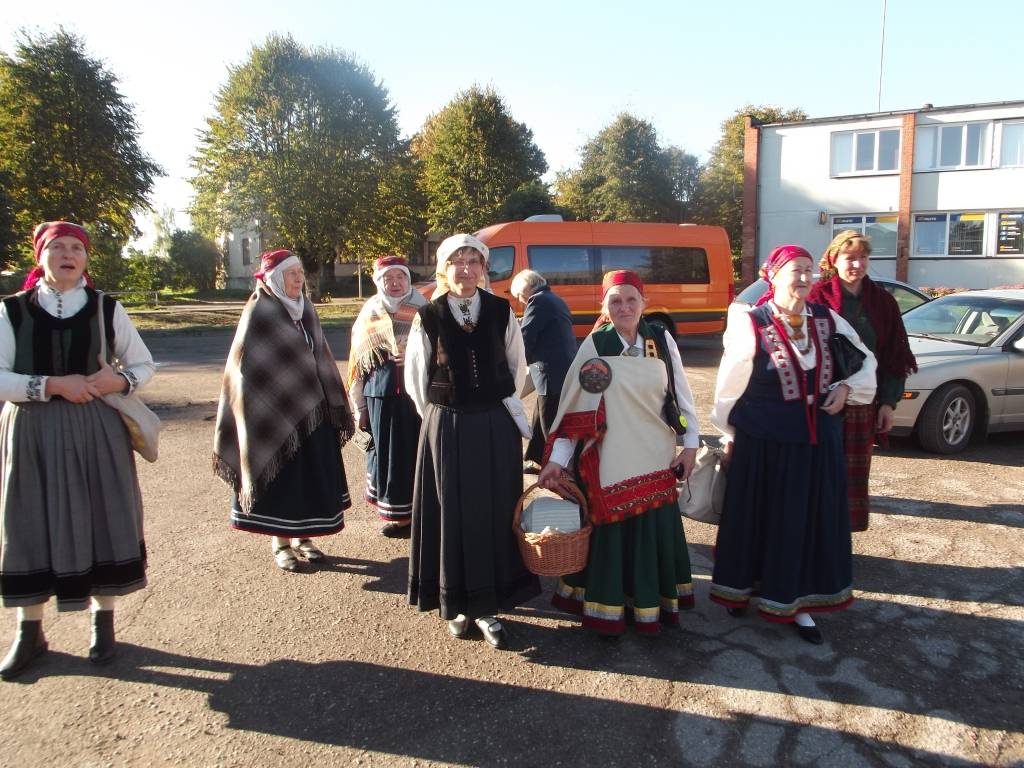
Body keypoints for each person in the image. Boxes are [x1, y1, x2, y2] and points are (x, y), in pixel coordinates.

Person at [0, 221, 155, 679]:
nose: (67, 254)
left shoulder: (107, 308)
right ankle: (30, 630)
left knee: (104, 516)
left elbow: (144, 363)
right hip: (32, 429)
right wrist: (51, 385)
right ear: (40, 257)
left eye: (76, 248)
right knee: (29, 520)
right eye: (57, 247)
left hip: (96, 428)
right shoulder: (11, 311)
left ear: (86, 259)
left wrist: (120, 380)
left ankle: (101, 620)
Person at [709, 245, 877, 644]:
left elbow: (865, 362)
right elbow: (729, 385)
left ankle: (796, 603)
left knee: (803, 523)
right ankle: (741, 590)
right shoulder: (751, 322)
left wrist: (846, 388)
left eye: (807, 270)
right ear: (773, 275)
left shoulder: (827, 318)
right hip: (764, 444)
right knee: (756, 520)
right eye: (793, 271)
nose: (803, 278)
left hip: (817, 445)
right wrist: (730, 433)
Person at [537, 269, 700, 637]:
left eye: (630, 299)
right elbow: (576, 412)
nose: (624, 307)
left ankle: (649, 606)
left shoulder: (660, 339)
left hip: (657, 454)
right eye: (615, 300)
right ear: (604, 306)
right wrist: (556, 462)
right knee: (613, 532)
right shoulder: (598, 346)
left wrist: (690, 446)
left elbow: (681, 395)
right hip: (610, 458)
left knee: (650, 532)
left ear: (644, 302)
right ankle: (609, 606)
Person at [404, 233, 540, 650]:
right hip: (448, 425)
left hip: (495, 426)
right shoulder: (428, 315)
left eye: (473, 261)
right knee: (454, 513)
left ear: (484, 268)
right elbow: (416, 377)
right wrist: (442, 416)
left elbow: (517, 368)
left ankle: (489, 605)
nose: (466, 269)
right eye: (457, 262)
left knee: (496, 509)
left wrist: (494, 399)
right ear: (445, 269)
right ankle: (459, 603)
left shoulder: (502, 311)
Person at [214, 249, 353, 572]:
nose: (299, 279)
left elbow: (320, 356)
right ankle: (280, 543)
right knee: (282, 481)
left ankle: (304, 538)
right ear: (275, 279)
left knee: (307, 480)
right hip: (275, 414)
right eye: (292, 274)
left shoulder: (306, 309)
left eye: (300, 273)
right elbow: (245, 368)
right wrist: (271, 396)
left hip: (312, 411)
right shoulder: (259, 311)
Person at [808, 231, 917, 532]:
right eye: (850, 257)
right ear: (834, 260)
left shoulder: (883, 303)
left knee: (851, 474)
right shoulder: (816, 298)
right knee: (817, 471)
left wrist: (889, 402)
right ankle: (815, 534)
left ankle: (840, 535)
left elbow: (894, 355)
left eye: (863, 257)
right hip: (821, 402)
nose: (857, 264)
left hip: (862, 405)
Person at [348, 256, 427, 538]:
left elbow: (442, 351)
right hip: (379, 396)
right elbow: (358, 363)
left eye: (400, 277)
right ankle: (399, 517)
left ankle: (423, 513)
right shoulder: (369, 312)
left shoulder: (425, 309)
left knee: (419, 456)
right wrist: (359, 407)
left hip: (415, 397)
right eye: (388, 278)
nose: (395, 283)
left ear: (408, 280)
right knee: (388, 456)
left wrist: (415, 355)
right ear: (379, 282)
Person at [510, 269, 577, 474]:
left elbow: (526, 337)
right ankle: (536, 457)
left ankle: (558, 467)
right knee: (540, 415)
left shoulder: (537, 301)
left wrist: (513, 359)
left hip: (551, 371)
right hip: (563, 367)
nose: (521, 301)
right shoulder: (554, 298)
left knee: (550, 419)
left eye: (520, 296)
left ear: (527, 288)